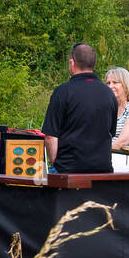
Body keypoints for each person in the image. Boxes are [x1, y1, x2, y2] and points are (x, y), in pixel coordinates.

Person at [41, 42, 115, 173]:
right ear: (93, 64)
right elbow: (110, 133)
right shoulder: (109, 93)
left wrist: (55, 163)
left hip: (67, 169)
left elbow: (50, 137)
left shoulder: (62, 92)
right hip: (102, 170)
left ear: (72, 63)